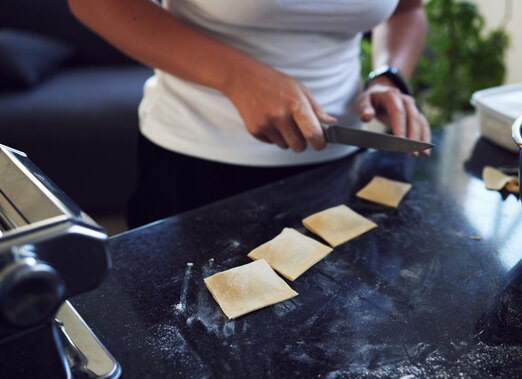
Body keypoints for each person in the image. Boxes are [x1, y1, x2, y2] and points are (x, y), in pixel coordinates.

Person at [67, 0, 431, 228]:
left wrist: (388, 76)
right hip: (196, 165)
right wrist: (236, 76)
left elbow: (406, 9)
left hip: (343, 166)